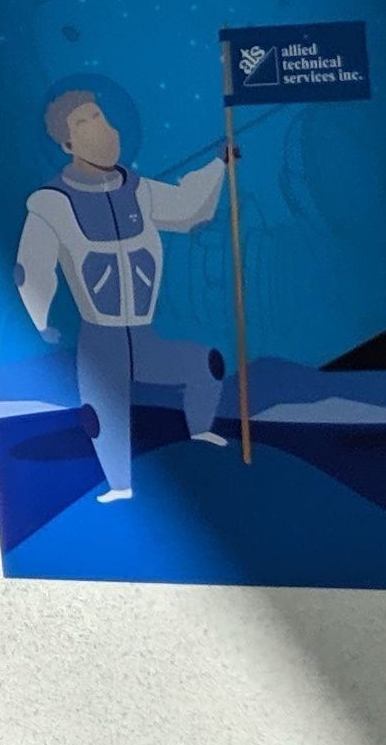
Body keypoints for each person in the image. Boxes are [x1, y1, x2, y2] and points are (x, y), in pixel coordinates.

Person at [17, 87, 228, 500]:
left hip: (145, 339)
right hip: (101, 341)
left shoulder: (139, 191)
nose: (97, 128)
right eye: (83, 122)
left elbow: (189, 208)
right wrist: (41, 321)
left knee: (207, 364)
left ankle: (200, 432)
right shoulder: (52, 204)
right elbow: (32, 268)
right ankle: (119, 486)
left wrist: (219, 163)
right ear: (66, 144)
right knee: (102, 415)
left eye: (99, 117)